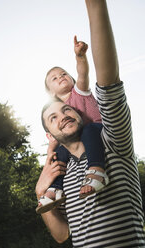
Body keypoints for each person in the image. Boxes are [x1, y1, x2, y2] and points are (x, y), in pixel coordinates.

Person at [35, 0, 145, 247]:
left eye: (67, 110)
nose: (63, 115)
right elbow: (62, 235)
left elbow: (108, 82)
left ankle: (96, 172)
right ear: (49, 134)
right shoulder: (62, 169)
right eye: (53, 117)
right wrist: (40, 192)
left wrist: (95, 6)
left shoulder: (112, 141)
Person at [36, 35, 109, 214]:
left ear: (72, 80)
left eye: (63, 74)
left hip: (98, 130)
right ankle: (56, 189)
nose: (60, 77)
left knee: (89, 129)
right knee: (60, 152)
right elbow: (54, 143)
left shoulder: (79, 92)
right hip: (77, 140)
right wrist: (50, 154)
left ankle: (97, 170)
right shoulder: (56, 108)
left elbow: (83, 73)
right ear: (50, 91)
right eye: (54, 78)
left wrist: (80, 57)